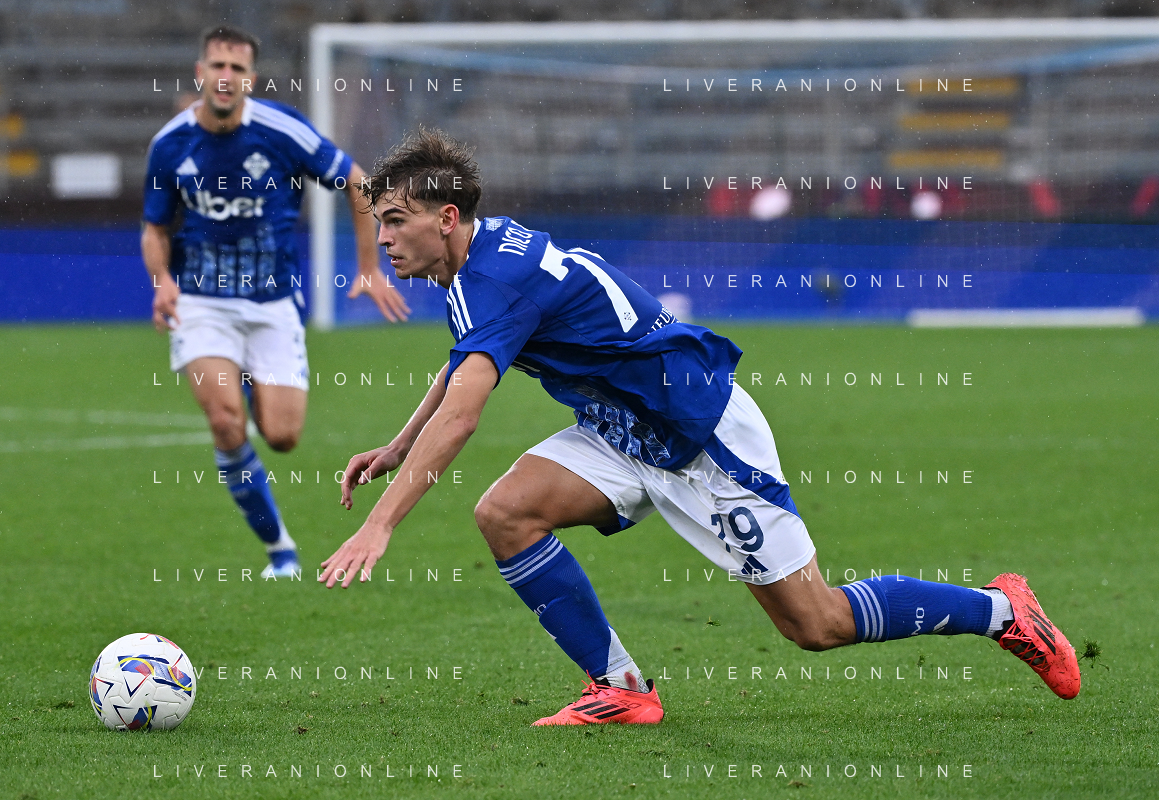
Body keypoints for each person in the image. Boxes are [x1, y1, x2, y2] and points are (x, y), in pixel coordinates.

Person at [319, 128, 1079, 725]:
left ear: (446, 218)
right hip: (620, 429)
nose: (383, 240)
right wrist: (398, 445)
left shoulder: (494, 277)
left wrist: (380, 526)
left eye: (396, 221)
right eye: (378, 223)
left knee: (815, 624)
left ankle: (1003, 612)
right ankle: (619, 688)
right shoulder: (479, 258)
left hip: (698, 435)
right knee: (506, 513)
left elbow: (464, 414)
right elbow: (464, 362)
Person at [142, 25, 409, 578]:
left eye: (237, 69)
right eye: (217, 66)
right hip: (202, 303)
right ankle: (280, 550)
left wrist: (369, 267)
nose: (226, 77)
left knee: (284, 437)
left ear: (251, 79)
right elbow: (155, 228)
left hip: (272, 303)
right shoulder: (170, 145)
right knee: (226, 423)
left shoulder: (281, 130)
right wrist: (161, 279)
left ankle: (244, 375)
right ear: (200, 73)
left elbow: (358, 183)